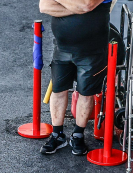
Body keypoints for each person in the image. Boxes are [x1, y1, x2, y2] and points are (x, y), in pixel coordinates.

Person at [38, 0, 117, 156]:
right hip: (62, 47)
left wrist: (64, 5)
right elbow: (44, 6)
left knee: (85, 93)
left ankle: (78, 135)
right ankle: (57, 135)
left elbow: (86, 5)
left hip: (92, 51)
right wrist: (78, 9)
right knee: (58, 90)